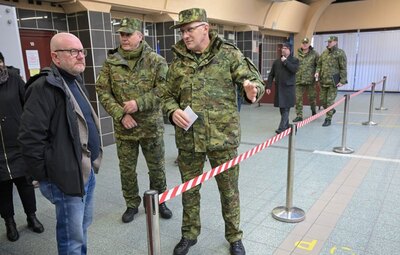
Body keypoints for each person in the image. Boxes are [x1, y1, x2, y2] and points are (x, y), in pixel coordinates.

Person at [159, 8, 265, 255]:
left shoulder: (228, 55)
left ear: (205, 28)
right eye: (182, 31)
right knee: (189, 191)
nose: (185, 35)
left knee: (229, 191)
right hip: (189, 139)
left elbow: (254, 81)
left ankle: (234, 237)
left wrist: (252, 91)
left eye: (190, 29)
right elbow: (164, 94)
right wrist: (172, 110)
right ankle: (189, 234)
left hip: (223, 139)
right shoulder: (177, 62)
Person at [18, 33, 102, 254]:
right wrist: (47, 177)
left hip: (85, 171)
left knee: (82, 226)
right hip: (65, 178)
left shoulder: (74, 80)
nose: (80, 56)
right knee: (71, 237)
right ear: (55, 57)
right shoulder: (44, 87)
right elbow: (30, 138)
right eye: (73, 52)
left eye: (82, 51)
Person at [96, 17, 172, 222]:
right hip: (125, 128)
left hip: (150, 127)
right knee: (127, 169)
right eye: (121, 34)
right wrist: (121, 114)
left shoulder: (155, 61)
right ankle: (131, 204)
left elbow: (166, 88)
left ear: (140, 35)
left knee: (156, 167)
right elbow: (102, 91)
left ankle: (159, 200)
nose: (124, 38)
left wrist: (140, 103)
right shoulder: (111, 62)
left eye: (128, 34)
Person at [0, 52, 44, 242]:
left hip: (17, 143)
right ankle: (9, 222)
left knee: (25, 184)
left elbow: (28, 106)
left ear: (2, 62)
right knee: (2, 189)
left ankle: (31, 217)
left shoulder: (15, 79)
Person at [266, 42, 299, 134]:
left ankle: (281, 128)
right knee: (282, 109)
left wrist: (285, 62)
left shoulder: (294, 60)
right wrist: (268, 86)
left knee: (286, 109)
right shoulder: (276, 62)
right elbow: (271, 74)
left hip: (288, 89)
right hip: (279, 89)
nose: (283, 49)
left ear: (289, 50)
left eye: (285, 48)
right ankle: (289, 127)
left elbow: (294, 70)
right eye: (282, 48)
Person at [315, 35, 347, 126]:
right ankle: (331, 110)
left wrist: (342, 80)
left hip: (333, 82)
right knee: (322, 101)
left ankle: (328, 118)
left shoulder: (340, 53)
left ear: (335, 42)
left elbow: (343, 68)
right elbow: (319, 65)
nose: (328, 43)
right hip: (323, 81)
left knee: (329, 101)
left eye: (330, 41)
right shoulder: (324, 53)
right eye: (328, 42)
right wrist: (317, 72)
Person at [293, 37, 319, 122]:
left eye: (306, 43)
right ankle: (299, 115)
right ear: (301, 44)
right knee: (298, 98)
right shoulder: (297, 54)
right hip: (299, 80)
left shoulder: (314, 54)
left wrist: (317, 72)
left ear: (309, 44)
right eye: (303, 43)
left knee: (312, 97)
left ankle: (313, 111)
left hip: (310, 80)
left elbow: (319, 64)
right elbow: (293, 65)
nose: (304, 44)